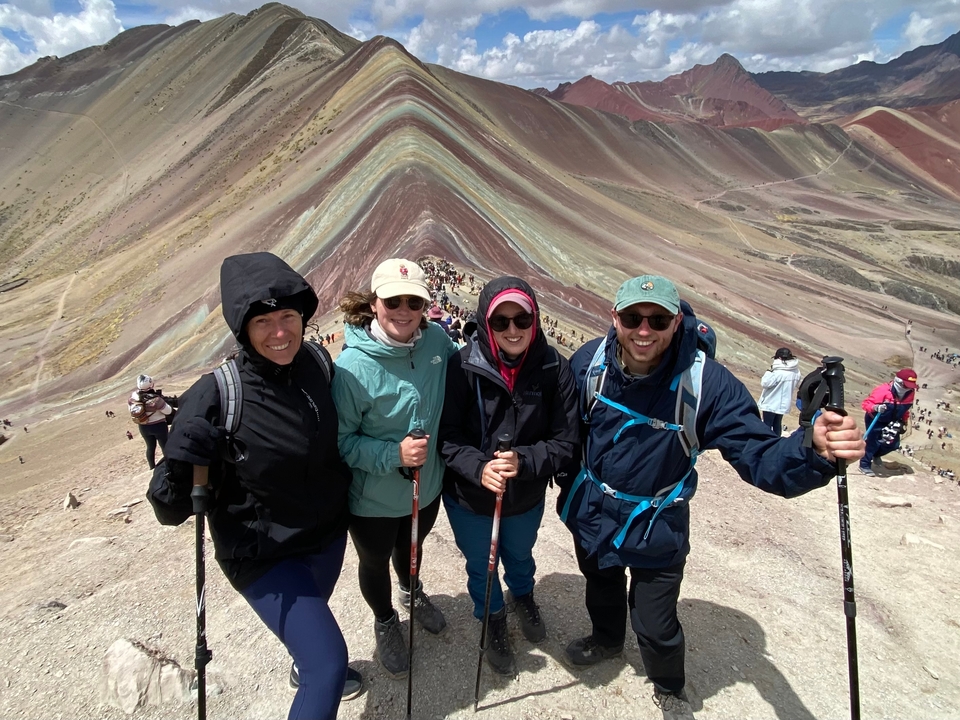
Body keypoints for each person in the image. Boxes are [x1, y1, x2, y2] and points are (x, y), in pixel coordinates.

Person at [556, 274, 864, 719]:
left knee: (655, 622)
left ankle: (669, 686)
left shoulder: (708, 385)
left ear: (676, 321)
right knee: (600, 585)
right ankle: (606, 639)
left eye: (658, 319)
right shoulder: (590, 363)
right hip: (593, 514)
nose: (644, 330)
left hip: (656, 524)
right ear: (615, 318)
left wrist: (811, 450)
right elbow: (563, 431)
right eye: (633, 318)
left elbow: (759, 455)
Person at [146, 252, 359, 720]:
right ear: (242, 328)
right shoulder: (218, 393)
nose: (280, 332)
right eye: (263, 321)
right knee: (328, 666)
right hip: (262, 555)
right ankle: (315, 668)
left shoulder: (317, 364)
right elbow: (167, 508)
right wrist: (181, 461)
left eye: (288, 316)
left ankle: (305, 661)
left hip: (324, 539)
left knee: (310, 637)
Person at [439, 277, 578, 675]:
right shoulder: (462, 365)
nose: (513, 330)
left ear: (535, 320)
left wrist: (525, 461)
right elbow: (448, 438)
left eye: (522, 319)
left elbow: (565, 442)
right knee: (482, 564)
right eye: (501, 322)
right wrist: (479, 468)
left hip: (526, 496)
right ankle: (493, 616)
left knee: (519, 553)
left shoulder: (554, 368)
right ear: (485, 323)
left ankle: (523, 594)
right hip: (470, 497)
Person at [332, 258, 459, 679]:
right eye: (393, 300)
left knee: (412, 549)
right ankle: (385, 619)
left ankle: (411, 591)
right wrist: (394, 455)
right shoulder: (351, 369)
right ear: (374, 302)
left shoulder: (438, 343)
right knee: (373, 562)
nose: (404, 310)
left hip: (428, 486)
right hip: (371, 499)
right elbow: (343, 443)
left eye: (414, 301)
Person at [859, 368, 917, 476]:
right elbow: (866, 404)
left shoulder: (910, 393)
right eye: (906, 385)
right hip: (876, 419)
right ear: (898, 381)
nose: (908, 388)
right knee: (872, 442)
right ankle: (864, 465)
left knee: (893, 444)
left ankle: (876, 454)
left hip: (893, 421)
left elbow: (905, 408)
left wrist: (904, 420)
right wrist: (875, 407)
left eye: (910, 386)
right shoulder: (883, 390)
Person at [128, 374, 175, 469]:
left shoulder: (133, 397)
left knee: (150, 447)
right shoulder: (156, 399)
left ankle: (152, 467)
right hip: (159, 426)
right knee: (165, 446)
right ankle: (169, 466)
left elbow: (131, 410)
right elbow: (168, 411)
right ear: (151, 385)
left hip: (143, 426)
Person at [757, 347, 802, 436]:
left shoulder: (777, 371)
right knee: (777, 424)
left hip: (771, 402)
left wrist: (769, 371)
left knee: (767, 424)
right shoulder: (796, 371)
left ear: (780, 358)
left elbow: (765, 383)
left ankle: (766, 442)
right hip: (784, 403)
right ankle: (776, 442)